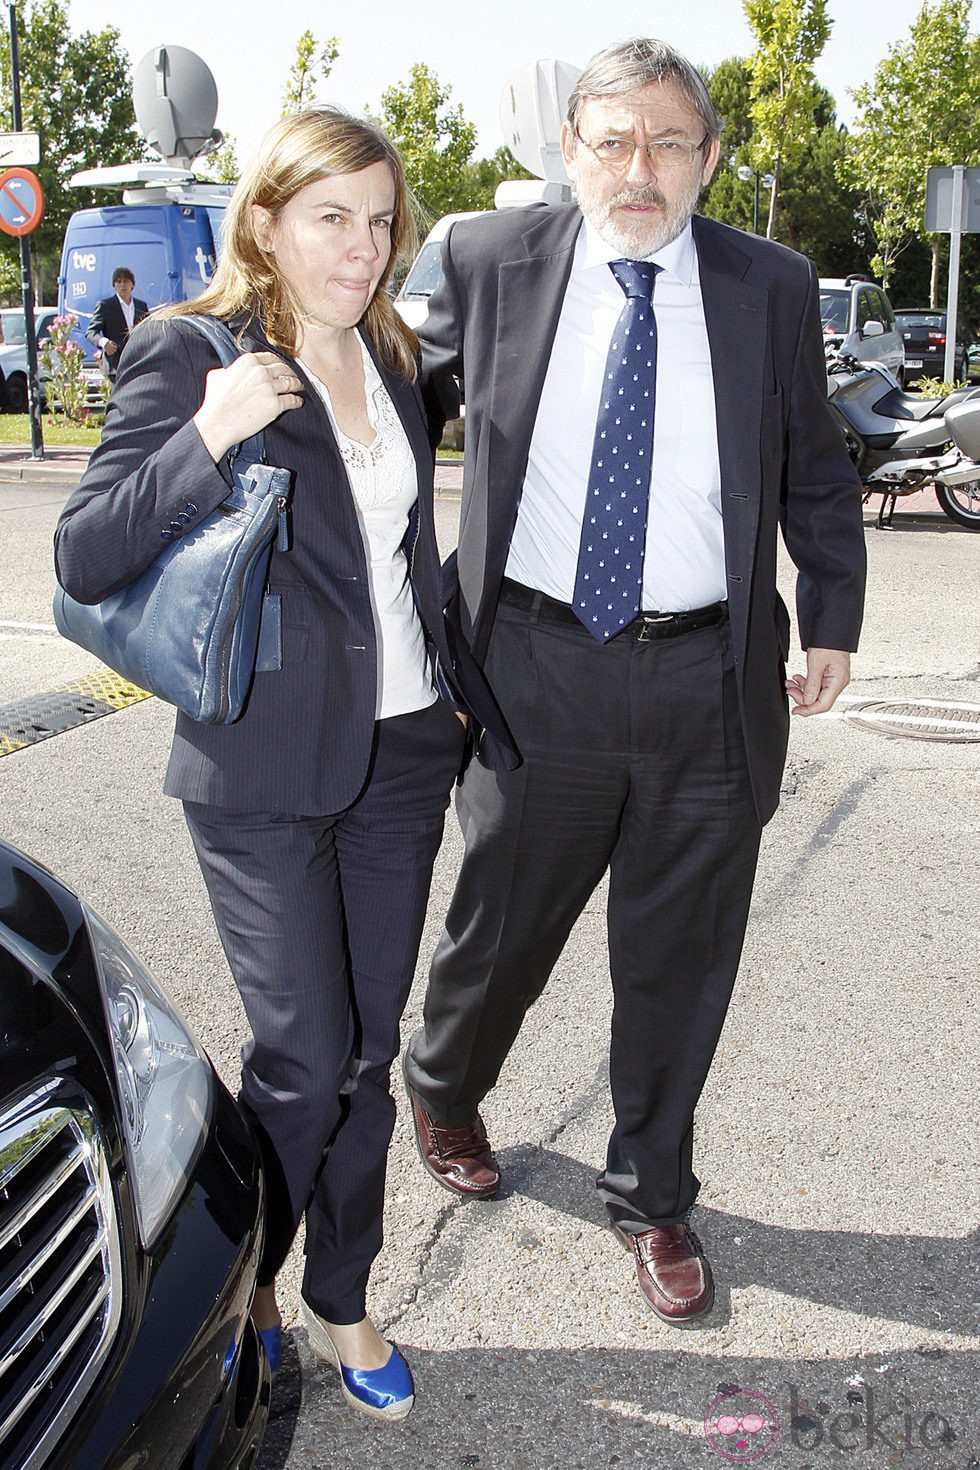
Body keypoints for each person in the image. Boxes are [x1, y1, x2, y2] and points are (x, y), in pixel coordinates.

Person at [55, 106, 513, 1420]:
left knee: (368, 1051)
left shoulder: (391, 352)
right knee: (305, 1056)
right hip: (260, 762)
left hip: (407, 755)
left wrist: (456, 697)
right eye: (331, 217)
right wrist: (206, 433)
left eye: (380, 223)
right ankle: (241, 1284)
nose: (360, 247)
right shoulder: (194, 351)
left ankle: (344, 1292)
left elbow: (399, 553)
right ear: (265, 220)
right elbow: (85, 555)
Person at [402, 37, 867, 1325]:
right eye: (612, 140)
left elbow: (814, 467)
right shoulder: (493, 262)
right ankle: (442, 1084)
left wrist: (827, 613)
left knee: (678, 959)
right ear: (569, 150)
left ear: (709, 156)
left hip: (708, 680)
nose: (640, 169)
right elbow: (386, 404)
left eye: (668, 142)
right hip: (532, 668)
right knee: (501, 928)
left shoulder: (768, 285)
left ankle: (652, 1197)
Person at [86, 266, 149, 378]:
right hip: (115, 365)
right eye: (118, 281)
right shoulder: (105, 306)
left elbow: (149, 330)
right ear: (114, 285)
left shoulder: (141, 306)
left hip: (137, 362)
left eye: (126, 281)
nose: (122, 284)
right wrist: (104, 343)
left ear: (132, 284)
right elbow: (90, 333)